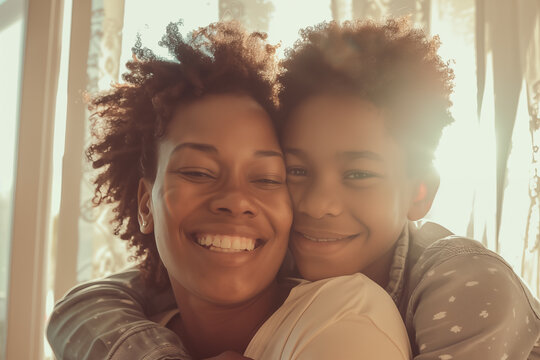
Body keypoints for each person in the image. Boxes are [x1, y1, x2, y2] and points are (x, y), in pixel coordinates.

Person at [47, 18, 540, 360]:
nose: (319, 205)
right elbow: (84, 306)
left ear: (419, 192)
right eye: (296, 172)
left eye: (359, 174)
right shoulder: (279, 258)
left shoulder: (464, 283)